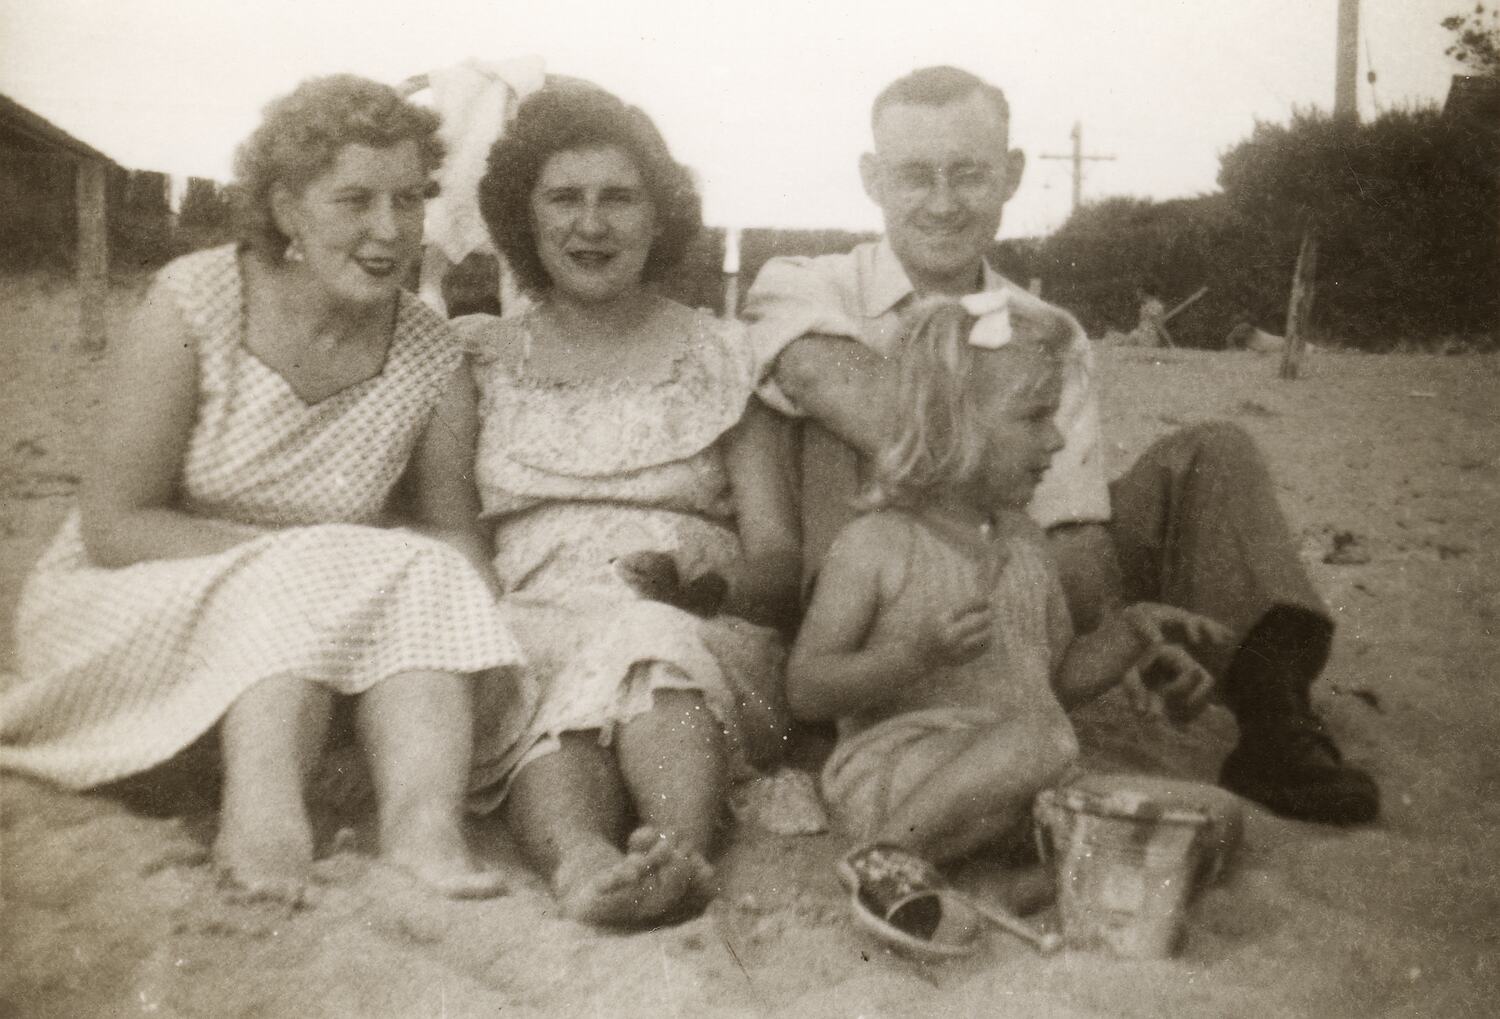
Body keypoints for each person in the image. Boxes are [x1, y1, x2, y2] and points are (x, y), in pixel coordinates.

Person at [742, 65, 1379, 825]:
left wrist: (1119, 632)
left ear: (1011, 175)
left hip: (1013, 577)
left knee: (1213, 452)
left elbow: (1073, 524)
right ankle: (870, 718)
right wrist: (989, 427)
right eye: (915, 176)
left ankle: (1274, 716)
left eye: (970, 174)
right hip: (875, 593)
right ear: (872, 178)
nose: (943, 203)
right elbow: (850, 397)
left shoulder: (1047, 329)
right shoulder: (807, 284)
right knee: (839, 430)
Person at [0, 75, 532, 903]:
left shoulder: (432, 355)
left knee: (428, 568)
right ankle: (264, 822)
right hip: (131, 598)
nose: (388, 230)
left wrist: (438, 590)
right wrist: (303, 559)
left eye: (409, 200)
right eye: (354, 200)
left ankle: (424, 828)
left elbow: (454, 533)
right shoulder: (197, 300)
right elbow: (114, 524)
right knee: (303, 577)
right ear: (286, 207)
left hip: (310, 619)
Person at [458, 84, 800, 926]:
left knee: (647, 641)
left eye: (619, 198)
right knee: (545, 674)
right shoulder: (479, 356)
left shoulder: (722, 355)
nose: (592, 223)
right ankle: (580, 859)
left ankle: (677, 847)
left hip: (695, 626)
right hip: (532, 616)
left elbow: (782, 559)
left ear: (658, 215)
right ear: (524, 219)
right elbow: (452, 533)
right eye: (564, 199)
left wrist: (701, 588)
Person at [788, 294, 1228, 863]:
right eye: (1034, 417)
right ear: (949, 425)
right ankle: (886, 856)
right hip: (901, 776)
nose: (1057, 440)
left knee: (1214, 817)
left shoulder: (1025, 542)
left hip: (1018, 779)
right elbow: (806, 690)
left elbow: (1055, 680)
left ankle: (1012, 886)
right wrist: (913, 657)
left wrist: (1130, 635)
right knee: (1043, 740)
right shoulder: (878, 544)